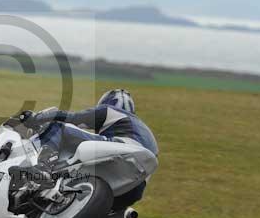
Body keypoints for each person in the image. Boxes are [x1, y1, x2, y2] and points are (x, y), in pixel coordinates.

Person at [21, 89, 158, 211]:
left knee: (57, 128)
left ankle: (43, 168)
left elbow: (74, 119)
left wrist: (36, 118)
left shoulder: (109, 111)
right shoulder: (147, 133)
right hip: (132, 191)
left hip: (122, 149)